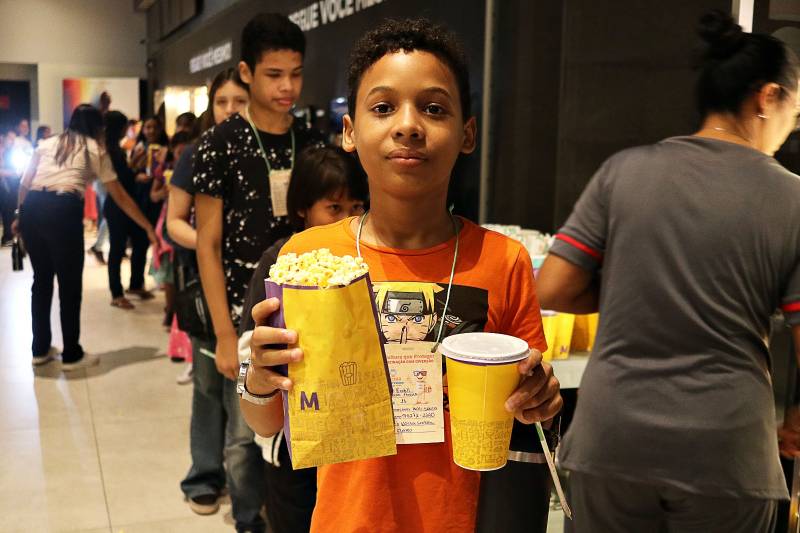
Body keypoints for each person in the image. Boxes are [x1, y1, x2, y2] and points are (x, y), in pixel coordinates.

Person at [240, 18, 562, 532]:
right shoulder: (307, 258)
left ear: (467, 133)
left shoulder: (502, 261)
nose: (408, 124)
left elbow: (530, 412)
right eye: (383, 107)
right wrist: (258, 377)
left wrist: (540, 397)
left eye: (434, 108)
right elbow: (266, 422)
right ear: (350, 131)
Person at [535, 11, 800, 533]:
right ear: (767, 98)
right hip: (726, 455)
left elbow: (555, 286)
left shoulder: (625, 170)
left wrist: (634, 286)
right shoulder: (793, 197)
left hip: (610, 443)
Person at [238, 145, 368, 532]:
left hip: (353, 442)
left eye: (356, 207)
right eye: (333, 208)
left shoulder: (364, 263)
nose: (347, 219)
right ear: (301, 209)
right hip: (291, 444)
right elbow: (251, 349)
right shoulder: (278, 261)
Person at [194, 13, 324, 394]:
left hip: (308, 307)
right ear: (247, 72)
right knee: (241, 438)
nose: (288, 86)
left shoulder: (313, 141)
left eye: (296, 73)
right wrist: (223, 334)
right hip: (241, 310)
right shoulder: (218, 144)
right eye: (274, 74)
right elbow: (208, 242)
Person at [168, 68, 266, 527]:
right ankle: (203, 476)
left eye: (239, 101)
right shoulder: (199, 152)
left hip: (251, 291)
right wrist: (211, 243)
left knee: (246, 396)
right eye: (223, 101)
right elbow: (174, 221)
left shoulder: (259, 151)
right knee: (209, 390)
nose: (231, 109)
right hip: (209, 293)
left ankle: (245, 486)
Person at [14, 104, 157, 368]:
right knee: (69, 285)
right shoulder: (94, 148)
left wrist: (18, 216)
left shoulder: (47, 143)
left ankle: (40, 349)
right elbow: (120, 196)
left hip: (33, 206)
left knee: (41, 280)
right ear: (97, 127)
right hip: (62, 207)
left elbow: (25, 183)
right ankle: (71, 354)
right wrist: (147, 226)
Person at [103, 111, 157, 310]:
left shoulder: (116, 149)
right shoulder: (108, 151)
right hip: (118, 206)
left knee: (140, 241)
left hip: (126, 203)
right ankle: (116, 293)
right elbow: (118, 183)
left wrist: (133, 167)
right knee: (117, 249)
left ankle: (135, 284)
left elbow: (123, 176)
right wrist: (134, 171)